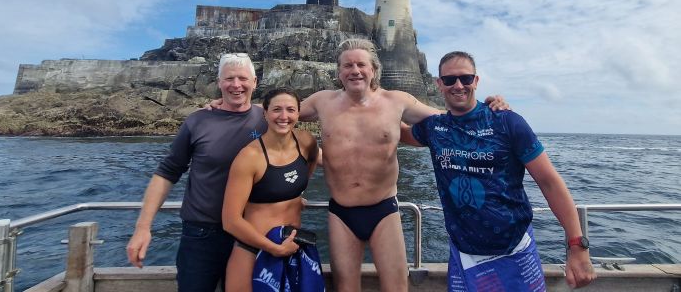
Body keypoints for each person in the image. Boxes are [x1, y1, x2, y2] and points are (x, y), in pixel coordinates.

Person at [210, 39, 506, 292]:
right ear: (339, 72)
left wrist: (490, 106)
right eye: (348, 65)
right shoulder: (323, 102)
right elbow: (279, 111)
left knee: (396, 286)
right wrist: (225, 104)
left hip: (384, 210)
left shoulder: (397, 101)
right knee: (345, 287)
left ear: (374, 69)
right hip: (342, 213)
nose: (355, 71)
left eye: (361, 65)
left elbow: (447, 117)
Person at [400, 51, 596, 291]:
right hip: (464, 255)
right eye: (450, 80)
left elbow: (549, 182)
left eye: (466, 78)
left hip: (515, 251)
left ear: (476, 81)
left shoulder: (507, 122)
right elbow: (396, 131)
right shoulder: (434, 127)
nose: (458, 85)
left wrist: (577, 247)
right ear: (439, 84)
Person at [126, 52, 266, 292]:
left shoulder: (268, 118)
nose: (236, 85)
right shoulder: (197, 121)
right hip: (202, 234)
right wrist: (143, 227)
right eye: (229, 78)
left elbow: (300, 148)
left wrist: (293, 196)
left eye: (243, 78)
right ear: (219, 83)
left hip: (253, 231)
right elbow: (167, 172)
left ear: (254, 82)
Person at [222, 87, 324, 292]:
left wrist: (295, 193)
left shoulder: (305, 141)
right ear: (265, 113)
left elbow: (310, 164)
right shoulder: (249, 157)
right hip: (254, 249)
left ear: (298, 113)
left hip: (292, 246)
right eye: (277, 109)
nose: (284, 116)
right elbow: (230, 221)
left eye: (290, 110)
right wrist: (274, 249)